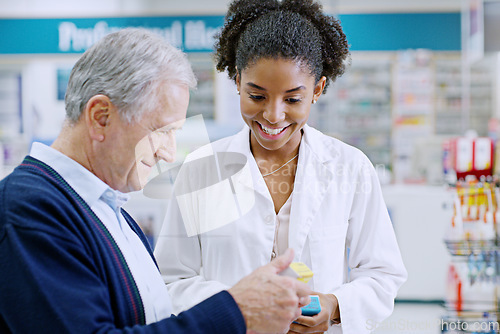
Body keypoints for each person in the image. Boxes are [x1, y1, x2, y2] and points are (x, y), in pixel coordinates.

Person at [0, 28, 313, 333]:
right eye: (162, 131)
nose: (168, 153)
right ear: (101, 117)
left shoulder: (106, 209)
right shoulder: (31, 211)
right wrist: (236, 311)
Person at [154, 0, 408, 333]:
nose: (273, 115)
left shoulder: (350, 168)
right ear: (237, 80)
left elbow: (383, 274)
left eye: (292, 99)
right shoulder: (204, 170)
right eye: (257, 96)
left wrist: (332, 306)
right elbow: (172, 279)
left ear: (317, 90)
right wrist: (239, 307)